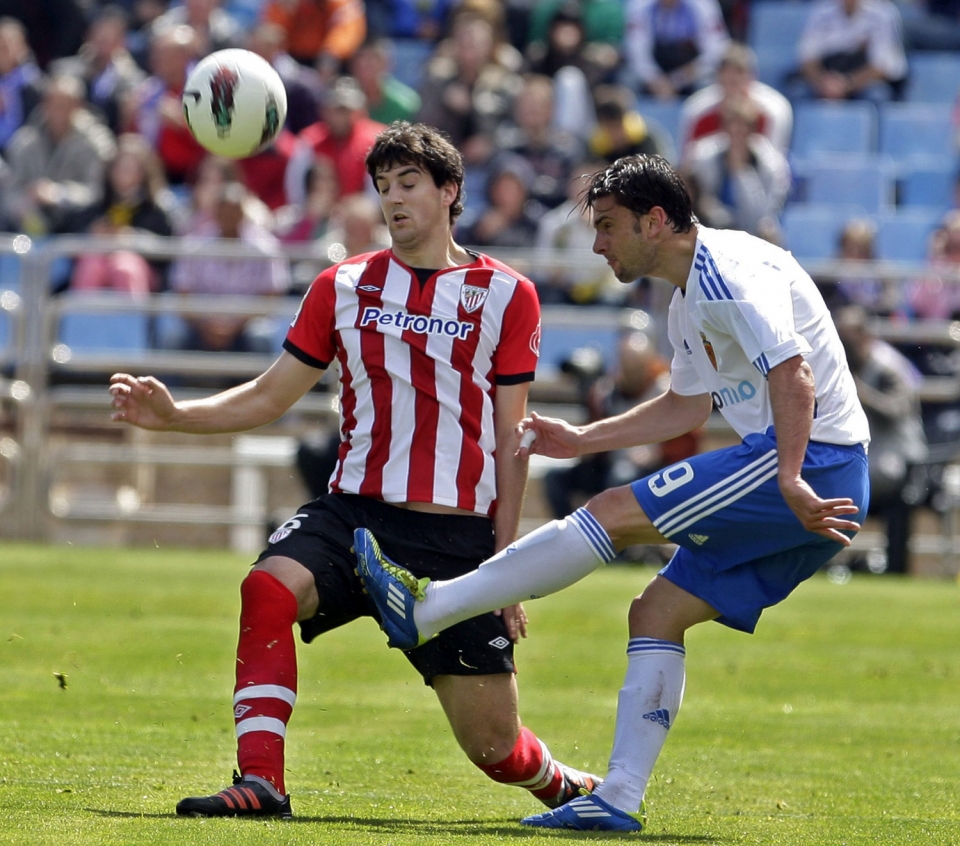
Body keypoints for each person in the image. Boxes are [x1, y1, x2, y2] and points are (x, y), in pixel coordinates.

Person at [354, 153, 871, 832]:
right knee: (655, 612)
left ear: (654, 221)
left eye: (606, 226)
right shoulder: (687, 297)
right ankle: (619, 797)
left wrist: (789, 476)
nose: (597, 245)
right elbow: (685, 407)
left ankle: (430, 610)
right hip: (815, 473)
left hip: (815, 465)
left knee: (610, 513)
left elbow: (794, 374)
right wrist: (581, 439)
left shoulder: (728, 272)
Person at [109, 121, 601, 819]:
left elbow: (509, 435)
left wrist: (505, 569)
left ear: (449, 191)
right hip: (354, 514)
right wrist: (175, 416)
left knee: (494, 748)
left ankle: (563, 786)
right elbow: (271, 394)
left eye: (409, 184)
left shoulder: (506, 293)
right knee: (267, 588)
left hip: (453, 542)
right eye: (383, 186)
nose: (393, 198)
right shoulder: (342, 285)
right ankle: (262, 782)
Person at [834, 304, 926, 574]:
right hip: (867, 456)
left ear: (864, 336)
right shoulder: (844, 365)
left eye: (850, 337)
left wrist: (859, 392)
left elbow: (897, 410)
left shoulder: (888, 367)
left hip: (899, 459)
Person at [69, 132, 177, 296]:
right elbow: (69, 238)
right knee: (91, 265)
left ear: (144, 172)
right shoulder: (96, 207)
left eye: (131, 168)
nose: (124, 173)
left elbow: (168, 249)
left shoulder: (158, 210)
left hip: (142, 271)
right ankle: (81, 313)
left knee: (124, 267)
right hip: (99, 261)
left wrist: (130, 238)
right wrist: (92, 234)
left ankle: (133, 313)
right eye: (119, 167)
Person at [680, 94, 790, 238]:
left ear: (752, 130)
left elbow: (763, 215)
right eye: (731, 126)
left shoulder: (771, 164)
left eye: (743, 127)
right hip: (709, 227)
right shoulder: (703, 156)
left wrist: (741, 172)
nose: (736, 132)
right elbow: (701, 201)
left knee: (770, 233)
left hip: (753, 232)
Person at [678, 41, 792, 157]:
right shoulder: (697, 111)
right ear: (718, 77)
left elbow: (775, 161)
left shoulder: (772, 112)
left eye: (738, 75)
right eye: (726, 76)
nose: (732, 79)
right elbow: (687, 160)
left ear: (752, 77)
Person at [793, 0, 907, 102]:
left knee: (877, 94)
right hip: (826, 76)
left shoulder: (883, 13)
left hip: (864, 80)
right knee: (798, 92)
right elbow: (807, 59)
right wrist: (824, 84)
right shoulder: (820, 10)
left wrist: (847, 85)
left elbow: (882, 67)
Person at [621, 0, 730, 101]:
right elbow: (636, 54)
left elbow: (716, 52)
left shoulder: (703, 4)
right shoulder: (640, 4)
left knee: (709, 84)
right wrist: (656, 81)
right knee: (628, 80)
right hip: (654, 69)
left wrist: (677, 81)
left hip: (690, 69)